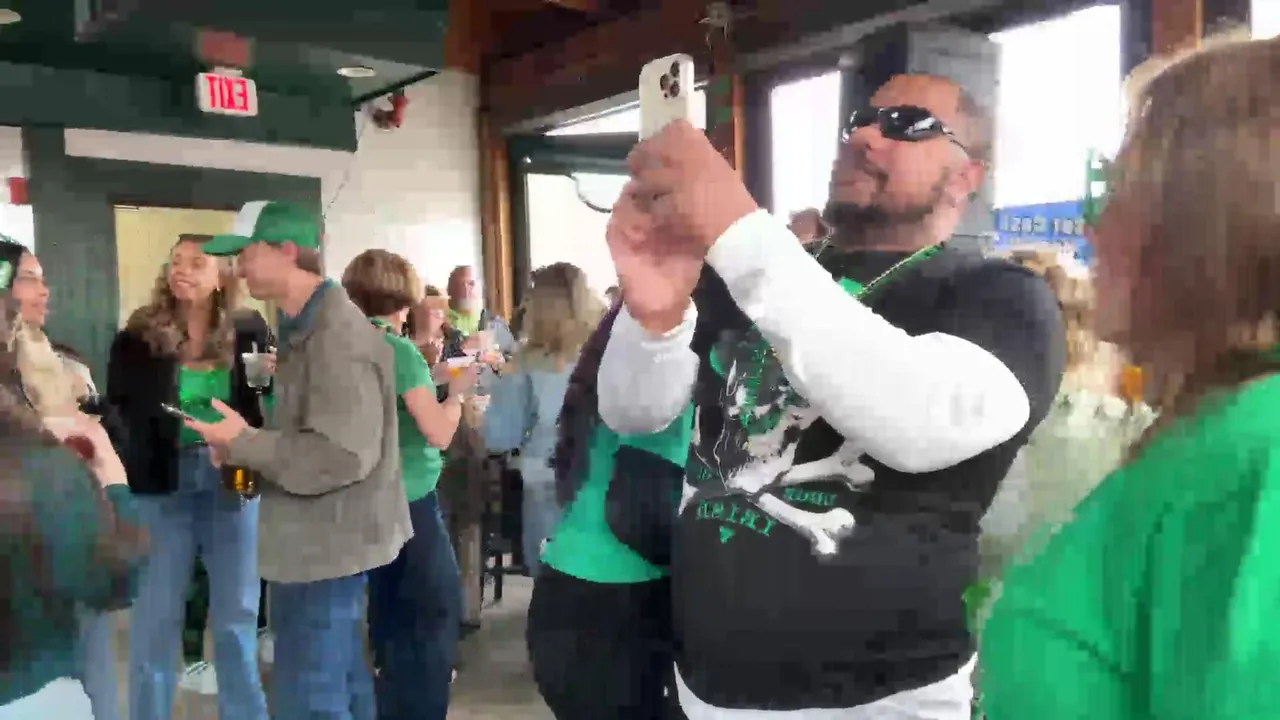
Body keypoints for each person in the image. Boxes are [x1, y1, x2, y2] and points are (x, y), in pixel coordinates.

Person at [599, 73, 1066, 718]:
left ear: (966, 175)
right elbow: (636, 413)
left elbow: (925, 422)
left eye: (906, 123)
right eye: (859, 120)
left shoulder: (1000, 296)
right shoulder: (761, 275)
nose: (865, 135)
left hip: (880, 699)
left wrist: (736, 226)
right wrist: (652, 316)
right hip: (704, 688)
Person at [981, 36, 1280, 719]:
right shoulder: (1211, 433)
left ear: (1210, 222)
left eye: (1119, 192)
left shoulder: (1260, 453)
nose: (1092, 228)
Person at [182, 200, 407, 720]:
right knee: (340, 685)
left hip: (324, 548)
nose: (238, 267)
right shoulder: (299, 327)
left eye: (246, 254)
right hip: (317, 541)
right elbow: (302, 437)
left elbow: (340, 454)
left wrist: (245, 442)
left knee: (310, 699)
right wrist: (239, 451)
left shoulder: (336, 337)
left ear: (287, 250)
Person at [107, 234, 271, 720]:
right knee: (155, 617)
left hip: (235, 473)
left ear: (221, 276)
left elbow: (261, 403)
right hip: (163, 480)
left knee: (238, 612)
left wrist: (251, 432)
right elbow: (118, 412)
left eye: (197, 263)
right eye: (176, 261)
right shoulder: (138, 336)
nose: (181, 269)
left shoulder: (250, 329)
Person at [524, 300, 693, 719]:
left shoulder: (604, 367)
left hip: (563, 590)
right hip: (620, 610)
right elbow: (649, 515)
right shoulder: (669, 386)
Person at [0, 261, 146, 716]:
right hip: (33, 671)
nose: (44, 291)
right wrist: (112, 481)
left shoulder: (62, 362)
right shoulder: (36, 460)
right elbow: (119, 578)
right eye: (28, 278)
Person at [341, 249, 475, 720]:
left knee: (388, 614)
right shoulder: (398, 351)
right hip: (411, 499)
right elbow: (438, 432)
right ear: (404, 297)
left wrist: (431, 375)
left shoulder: (344, 343)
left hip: (364, 495)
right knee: (434, 616)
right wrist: (457, 394)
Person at [483, 262, 606, 577]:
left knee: (552, 577)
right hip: (604, 478)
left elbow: (501, 435)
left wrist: (476, 410)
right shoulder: (610, 350)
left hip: (547, 479)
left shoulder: (527, 362)